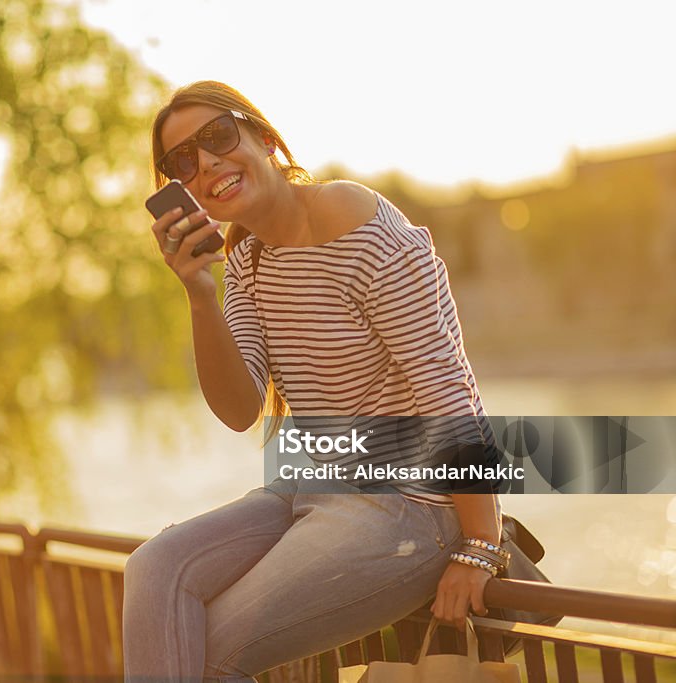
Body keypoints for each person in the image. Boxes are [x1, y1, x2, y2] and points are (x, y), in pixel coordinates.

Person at [123, 81, 506, 682]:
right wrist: (201, 296)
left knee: (211, 653)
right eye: (183, 162)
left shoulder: (355, 220)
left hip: (408, 508)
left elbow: (446, 387)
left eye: (218, 136)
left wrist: (480, 542)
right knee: (153, 568)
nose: (207, 164)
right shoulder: (246, 259)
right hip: (312, 491)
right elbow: (239, 407)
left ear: (264, 136)